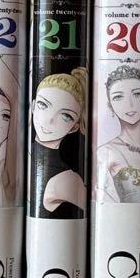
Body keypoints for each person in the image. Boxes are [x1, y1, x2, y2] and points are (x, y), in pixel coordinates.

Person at [31, 68, 88, 218]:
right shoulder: (19, 157)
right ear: (33, 106)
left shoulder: (65, 180)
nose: (49, 120)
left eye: (66, 116)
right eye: (43, 105)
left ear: (74, 127)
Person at [95, 64, 140, 205]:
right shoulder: (105, 152)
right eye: (118, 97)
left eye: (137, 94)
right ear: (110, 106)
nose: (130, 104)